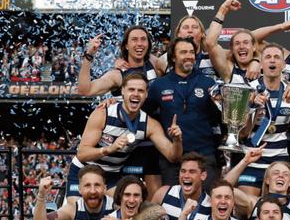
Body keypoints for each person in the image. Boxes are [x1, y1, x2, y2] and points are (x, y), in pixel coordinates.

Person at [77, 26, 165, 197]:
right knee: (126, 198)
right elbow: (85, 90)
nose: (139, 44)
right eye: (134, 40)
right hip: (126, 146)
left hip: (152, 141)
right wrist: (89, 56)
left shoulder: (157, 65)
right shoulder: (117, 74)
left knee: (155, 199)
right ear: (125, 45)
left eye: (143, 39)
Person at [67, 73, 182, 204]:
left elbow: (173, 156)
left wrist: (177, 140)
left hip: (111, 176)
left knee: (130, 206)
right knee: (76, 212)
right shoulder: (103, 113)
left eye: (140, 91)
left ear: (146, 94)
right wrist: (109, 149)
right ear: (122, 91)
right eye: (131, 89)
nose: (136, 94)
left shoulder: (150, 125)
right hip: (83, 171)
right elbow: (82, 154)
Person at [145, 37, 221, 190]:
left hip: (204, 155)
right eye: (183, 52)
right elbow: (145, 114)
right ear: (173, 56)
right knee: (173, 206)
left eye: (192, 52)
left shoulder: (208, 83)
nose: (189, 56)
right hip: (173, 158)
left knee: (204, 204)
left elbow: (219, 118)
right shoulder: (159, 85)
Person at [235, 44, 290, 195]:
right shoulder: (247, 90)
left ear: (283, 65)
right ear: (261, 63)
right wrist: (252, 108)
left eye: (277, 57)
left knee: (277, 207)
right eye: (268, 57)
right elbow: (241, 134)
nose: (272, 61)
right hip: (252, 159)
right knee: (246, 205)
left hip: (280, 162)